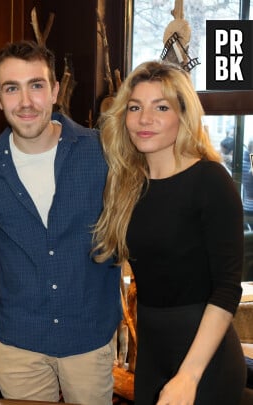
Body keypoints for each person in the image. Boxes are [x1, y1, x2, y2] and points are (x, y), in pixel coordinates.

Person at [0, 40, 121, 404]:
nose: (25, 101)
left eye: (36, 85)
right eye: (11, 88)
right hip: (16, 341)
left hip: (88, 338)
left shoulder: (101, 151)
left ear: (54, 91)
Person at [92, 60, 246, 405]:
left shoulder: (210, 181)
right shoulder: (127, 184)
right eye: (135, 107)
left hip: (204, 359)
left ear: (183, 115)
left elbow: (226, 290)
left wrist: (188, 376)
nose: (144, 119)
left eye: (161, 107)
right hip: (152, 355)